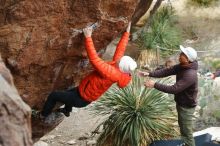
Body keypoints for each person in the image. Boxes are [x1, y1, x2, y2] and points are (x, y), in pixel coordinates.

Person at [40, 22, 137, 121]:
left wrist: (88, 37)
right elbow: (120, 49)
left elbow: (94, 59)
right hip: (83, 91)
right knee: (67, 93)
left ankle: (43, 116)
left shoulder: (112, 73)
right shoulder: (120, 68)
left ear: (121, 65)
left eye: (121, 60)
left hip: (81, 98)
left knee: (54, 95)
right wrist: (127, 33)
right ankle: (66, 110)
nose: (120, 58)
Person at [139, 45, 198, 146]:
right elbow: (167, 71)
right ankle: (187, 144)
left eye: (183, 54)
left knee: (187, 132)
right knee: (183, 127)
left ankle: (189, 144)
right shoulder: (183, 66)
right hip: (181, 103)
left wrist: (154, 84)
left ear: (188, 59)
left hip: (187, 107)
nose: (180, 55)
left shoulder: (190, 74)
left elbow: (174, 89)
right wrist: (149, 74)